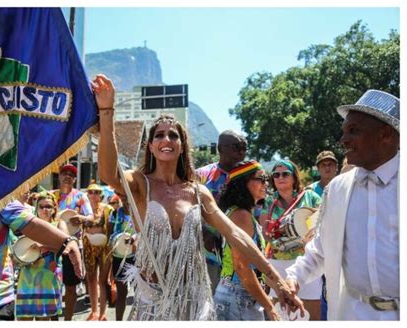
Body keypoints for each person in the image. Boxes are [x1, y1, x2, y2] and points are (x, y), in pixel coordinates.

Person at [92, 73, 303, 320]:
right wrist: (107, 110)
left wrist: (278, 282)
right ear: (150, 146)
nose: (166, 139)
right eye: (158, 135)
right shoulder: (139, 184)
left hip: (194, 301)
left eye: (173, 135)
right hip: (152, 303)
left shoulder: (197, 192)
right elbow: (108, 174)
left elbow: (235, 235)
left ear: (182, 145)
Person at [285, 90, 400, 320]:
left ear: (386, 134)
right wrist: (293, 278)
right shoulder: (337, 189)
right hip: (353, 314)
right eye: (344, 131)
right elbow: (321, 250)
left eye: (354, 131)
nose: (343, 140)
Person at [214, 160, 280, 320]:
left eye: (267, 179)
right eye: (261, 179)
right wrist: (269, 307)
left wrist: (279, 290)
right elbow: (242, 266)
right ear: (243, 183)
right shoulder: (241, 216)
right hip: (237, 298)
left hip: (238, 297)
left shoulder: (240, 213)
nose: (266, 184)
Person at [259, 159, 322, 320]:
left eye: (285, 173)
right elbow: (265, 233)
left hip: (307, 261)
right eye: (276, 175)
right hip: (277, 262)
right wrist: (277, 233)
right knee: (280, 313)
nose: (281, 177)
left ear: (294, 177)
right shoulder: (269, 201)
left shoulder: (310, 196)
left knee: (310, 313)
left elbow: (322, 221)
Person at [196, 130, 247, 294]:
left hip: (241, 254)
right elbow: (186, 210)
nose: (241, 152)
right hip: (208, 255)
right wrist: (204, 233)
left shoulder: (250, 176)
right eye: (236, 147)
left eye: (244, 148)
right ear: (220, 149)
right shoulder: (202, 176)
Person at [15, 191, 68, 320]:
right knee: (24, 319)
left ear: (54, 209)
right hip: (27, 277)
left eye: (49, 206)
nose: (45, 209)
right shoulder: (29, 225)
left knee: (43, 318)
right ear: (36, 208)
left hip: (48, 279)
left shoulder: (59, 224)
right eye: (41, 206)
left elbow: (66, 248)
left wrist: (43, 246)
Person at [53, 163, 93, 321]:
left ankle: (68, 321)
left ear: (75, 179)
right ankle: (53, 319)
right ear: (59, 176)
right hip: (52, 245)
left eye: (71, 174)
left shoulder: (80, 197)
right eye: (64, 173)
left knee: (70, 287)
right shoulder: (51, 196)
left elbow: (91, 218)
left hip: (73, 247)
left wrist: (82, 218)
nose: (68, 176)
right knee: (52, 286)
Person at [306, 150, 339, 320]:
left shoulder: (345, 187)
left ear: (336, 167)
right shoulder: (309, 192)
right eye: (323, 165)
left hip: (339, 247)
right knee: (318, 292)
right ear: (318, 168)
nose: (327, 168)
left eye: (331, 164)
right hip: (317, 247)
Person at [83, 183, 114, 321]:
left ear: (100, 195)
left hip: (104, 247)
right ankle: (94, 311)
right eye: (91, 192)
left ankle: (103, 313)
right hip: (88, 246)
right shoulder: (84, 209)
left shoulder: (107, 209)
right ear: (87, 194)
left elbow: (112, 227)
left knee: (102, 280)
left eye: (96, 192)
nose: (94, 195)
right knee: (90, 279)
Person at [109, 193, 137, 321]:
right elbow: (109, 234)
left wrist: (135, 239)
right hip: (119, 257)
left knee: (140, 293)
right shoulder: (114, 214)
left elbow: (145, 232)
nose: (126, 199)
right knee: (121, 293)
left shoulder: (139, 212)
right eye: (123, 197)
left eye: (128, 196)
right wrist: (114, 242)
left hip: (137, 256)